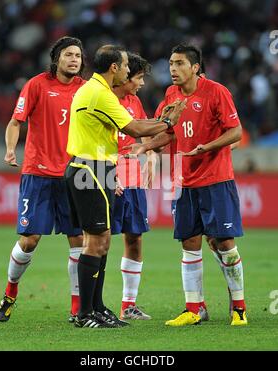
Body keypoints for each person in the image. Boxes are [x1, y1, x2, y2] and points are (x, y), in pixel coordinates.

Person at [125, 43, 247, 326]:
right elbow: (168, 131)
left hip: (216, 179)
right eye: (170, 63)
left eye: (179, 63)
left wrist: (206, 147)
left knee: (225, 243)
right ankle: (194, 308)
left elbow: (236, 131)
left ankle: (239, 308)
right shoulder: (171, 95)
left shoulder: (217, 92)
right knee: (190, 243)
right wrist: (146, 148)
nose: (172, 69)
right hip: (183, 181)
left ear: (195, 67)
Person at [65, 44, 186, 328]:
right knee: (95, 241)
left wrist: (158, 124)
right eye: (126, 66)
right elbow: (134, 129)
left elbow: (136, 125)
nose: (130, 72)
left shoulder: (97, 91)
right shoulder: (100, 93)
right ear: (114, 68)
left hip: (98, 168)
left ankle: (97, 307)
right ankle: (84, 314)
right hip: (90, 169)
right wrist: (168, 121)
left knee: (103, 240)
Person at [0, 36, 86, 323]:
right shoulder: (36, 85)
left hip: (73, 175)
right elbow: (15, 121)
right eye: (69, 54)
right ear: (56, 58)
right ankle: (10, 292)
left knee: (79, 239)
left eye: (78, 56)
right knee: (30, 240)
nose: (74, 59)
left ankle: (77, 308)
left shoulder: (86, 90)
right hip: (38, 173)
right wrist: (11, 149)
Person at [112, 52, 156, 321]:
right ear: (124, 76)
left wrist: (150, 156)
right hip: (103, 178)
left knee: (135, 237)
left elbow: (145, 132)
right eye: (138, 77)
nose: (141, 83)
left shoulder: (134, 102)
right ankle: (87, 304)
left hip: (133, 179)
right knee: (97, 241)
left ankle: (128, 304)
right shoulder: (102, 99)